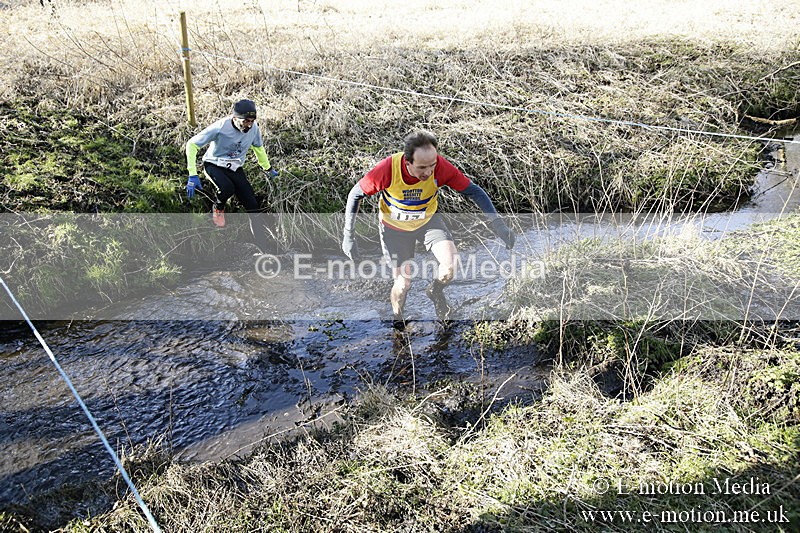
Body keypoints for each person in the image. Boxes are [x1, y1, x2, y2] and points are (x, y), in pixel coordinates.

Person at [341, 130, 515, 327]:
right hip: (394, 228)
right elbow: (355, 194)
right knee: (403, 283)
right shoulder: (389, 169)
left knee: (449, 267)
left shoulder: (440, 167)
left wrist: (498, 225)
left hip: (428, 222)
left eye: (432, 165)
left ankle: (435, 290)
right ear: (407, 162)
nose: (428, 172)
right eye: (422, 167)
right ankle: (398, 321)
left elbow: (475, 192)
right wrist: (349, 235)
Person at [185, 98, 279, 253]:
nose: (249, 124)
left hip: (235, 168)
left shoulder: (254, 128)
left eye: (252, 120)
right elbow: (192, 144)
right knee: (227, 188)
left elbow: (258, 148)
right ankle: (218, 207)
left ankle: (264, 249)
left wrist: (267, 168)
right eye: (245, 121)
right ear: (235, 118)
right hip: (214, 165)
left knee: (253, 207)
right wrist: (192, 174)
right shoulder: (220, 127)